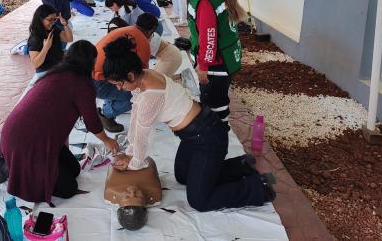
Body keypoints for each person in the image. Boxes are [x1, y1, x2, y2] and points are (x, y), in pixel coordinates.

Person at [102, 37, 276, 212]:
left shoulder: (150, 94)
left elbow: (142, 133)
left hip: (208, 138)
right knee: (183, 175)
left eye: (119, 84)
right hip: (194, 135)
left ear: (130, 76)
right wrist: (130, 154)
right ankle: (242, 166)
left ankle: (259, 187)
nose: (119, 89)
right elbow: (136, 119)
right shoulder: (145, 76)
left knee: (199, 201)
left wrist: (135, 163)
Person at [0, 41, 119, 203]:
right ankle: (4, 167)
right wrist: (107, 141)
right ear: (90, 62)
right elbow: (92, 122)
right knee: (69, 189)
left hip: (20, 133)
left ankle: (14, 163)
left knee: (74, 169)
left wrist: (60, 150)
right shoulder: (82, 84)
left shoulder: (58, 72)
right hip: (26, 142)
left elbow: (58, 120)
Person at [188, 0, 244, 123]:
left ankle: (217, 140)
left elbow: (208, 36)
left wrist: (203, 66)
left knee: (214, 106)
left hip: (215, 65)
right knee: (220, 101)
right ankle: (220, 135)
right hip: (227, 58)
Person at [93, 25, 151, 132]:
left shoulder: (130, 34)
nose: (119, 87)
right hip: (93, 81)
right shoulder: (107, 67)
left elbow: (142, 75)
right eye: (117, 84)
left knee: (131, 91)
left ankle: (110, 103)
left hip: (96, 77)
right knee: (132, 98)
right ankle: (105, 114)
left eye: (118, 84)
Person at [104, 157, 162, 231]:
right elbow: (148, 160)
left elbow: (115, 161)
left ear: (119, 203)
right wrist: (135, 159)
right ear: (145, 202)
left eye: (127, 197)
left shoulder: (111, 189)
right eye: (138, 196)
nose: (132, 191)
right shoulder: (154, 189)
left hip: (120, 158)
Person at [28, 4, 73, 79]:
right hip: (46, 71)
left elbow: (69, 39)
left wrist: (65, 24)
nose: (53, 22)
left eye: (55, 19)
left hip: (58, 66)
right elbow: (35, 64)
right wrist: (46, 48)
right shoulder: (35, 37)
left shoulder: (53, 29)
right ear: (40, 19)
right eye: (50, 20)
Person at [135, 13, 181, 78]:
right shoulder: (139, 33)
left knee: (154, 81)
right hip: (168, 54)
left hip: (172, 57)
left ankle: (181, 78)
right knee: (155, 79)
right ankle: (179, 77)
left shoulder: (143, 36)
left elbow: (143, 65)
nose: (152, 33)